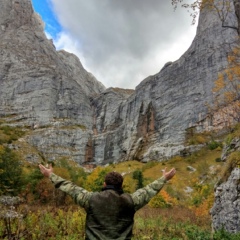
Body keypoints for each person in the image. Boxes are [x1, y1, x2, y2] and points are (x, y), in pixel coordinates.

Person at [39, 164, 176, 240]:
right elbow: (149, 190)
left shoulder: (90, 199)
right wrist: (164, 178)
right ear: (121, 186)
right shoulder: (132, 201)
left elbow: (70, 187)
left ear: (104, 184)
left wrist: (50, 175)